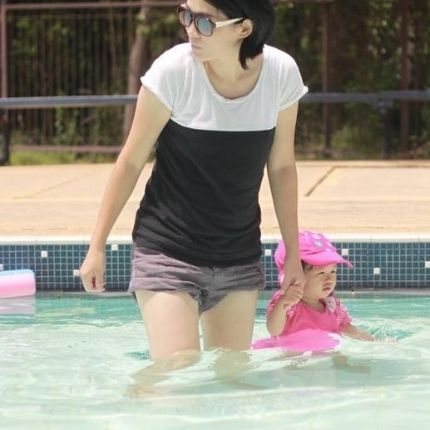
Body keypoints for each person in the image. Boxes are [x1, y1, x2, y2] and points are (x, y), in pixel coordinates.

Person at [80, 0, 309, 360]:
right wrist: (97, 246)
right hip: (168, 250)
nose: (190, 29)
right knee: (176, 370)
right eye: (187, 15)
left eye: (204, 22)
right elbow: (131, 160)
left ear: (244, 28)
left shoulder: (280, 74)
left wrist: (293, 254)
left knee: (231, 376)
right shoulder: (174, 71)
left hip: (237, 255)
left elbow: (281, 167)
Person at [266, 230, 375, 341]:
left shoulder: (331, 306)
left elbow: (348, 329)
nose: (329, 279)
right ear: (294, 275)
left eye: (333, 272)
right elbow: (274, 330)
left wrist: (373, 341)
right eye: (321, 273)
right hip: (292, 351)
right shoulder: (289, 304)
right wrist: (283, 303)